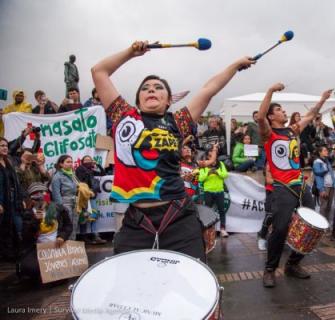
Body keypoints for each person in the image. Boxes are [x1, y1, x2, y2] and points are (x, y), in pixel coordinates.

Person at [91, 40, 255, 260]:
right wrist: (130, 52)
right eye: (146, 87)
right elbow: (99, 72)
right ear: (138, 100)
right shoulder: (123, 116)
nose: (151, 89)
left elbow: (208, 90)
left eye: (159, 88)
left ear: (168, 100)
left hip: (179, 218)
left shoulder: (177, 122)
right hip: (137, 222)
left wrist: (235, 65)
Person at [258, 82, 332, 288]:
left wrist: (323, 99)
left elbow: (311, 115)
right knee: (280, 228)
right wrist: (270, 91)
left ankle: (293, 264)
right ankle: (270, 269)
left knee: (311, 226)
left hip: (300, 185)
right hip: (282, 187)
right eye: (280, 110)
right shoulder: (268, 133)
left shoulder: (293, 130)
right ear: (272, 116)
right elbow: (261, 116)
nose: (284, 112)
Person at [17, 182, 72, 281]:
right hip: (38, 249)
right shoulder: (28, 214)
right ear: (31, 200)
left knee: (62, 274)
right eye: (36, 197)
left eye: (43, 195)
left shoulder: (58, 209)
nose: (40, 200)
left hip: (56, 247)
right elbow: (26, 236)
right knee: (29, 268)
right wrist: (35, 221)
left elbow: (68, 226)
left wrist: (62, 236)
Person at [0, 137, 24, 261]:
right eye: (1, 145)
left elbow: (16, 182)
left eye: (5, 145)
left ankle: (14, 253)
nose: (5, 147)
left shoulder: (8, 161)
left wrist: (21, 198)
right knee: (3, 227)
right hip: (2, 199)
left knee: (17, 226)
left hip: (13, 199)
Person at [75, 155, 107, 244]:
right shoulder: (80, 169)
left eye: (90, 160)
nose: (88, 161)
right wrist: (90, 168)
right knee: (84, 216)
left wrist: (97, 165)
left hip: (92, 195)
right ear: (82, 161)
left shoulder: (91, 170)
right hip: (84, 196)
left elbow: (103, 173)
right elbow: (81, 180)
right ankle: (83, 237)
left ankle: (95, 236)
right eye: (86, 160)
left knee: (94, 215)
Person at [198, 146, 229, 237]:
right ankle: (209, 230)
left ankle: (223, 229)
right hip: (208, 191)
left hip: (219, 191)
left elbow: (225, 175)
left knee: (221, 211)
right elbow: (200, 178)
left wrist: (217, 172)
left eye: (213, 151)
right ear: (208, 155)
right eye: (211, 151)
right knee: (208, 211)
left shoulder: (221, 164)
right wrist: (208, 173)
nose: (213, 152)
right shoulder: (203, 165)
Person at [312, 146, 335, 238]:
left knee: (329, 207)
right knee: (323, 207)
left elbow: (332, 174)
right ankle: (321, 227)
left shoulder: (326, 161)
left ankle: (326, 226)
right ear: (320, 152)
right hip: (324, 187)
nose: (327, 152)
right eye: (325, 150)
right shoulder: (317, 162)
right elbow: (318, 174)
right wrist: (321, 189)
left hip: (331, 187)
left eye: (327, 150)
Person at [51, 155, 78, 240]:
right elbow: (56, 193)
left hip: (75, 202)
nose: (70, 164)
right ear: (61, 164)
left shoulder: (72, 174)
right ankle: (65, 247)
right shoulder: (57, 176)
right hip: (65, 203)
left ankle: (72, 246)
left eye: (71, 162)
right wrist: (61, 207)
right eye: (68, 162)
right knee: (66, 226)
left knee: (74, 224)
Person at [257, 162, 274, 251]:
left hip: (284, 191)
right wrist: (283, 180)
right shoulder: (269, 164)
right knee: (270, 215)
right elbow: (269, 180)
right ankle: (262, 237)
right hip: (272, 191)